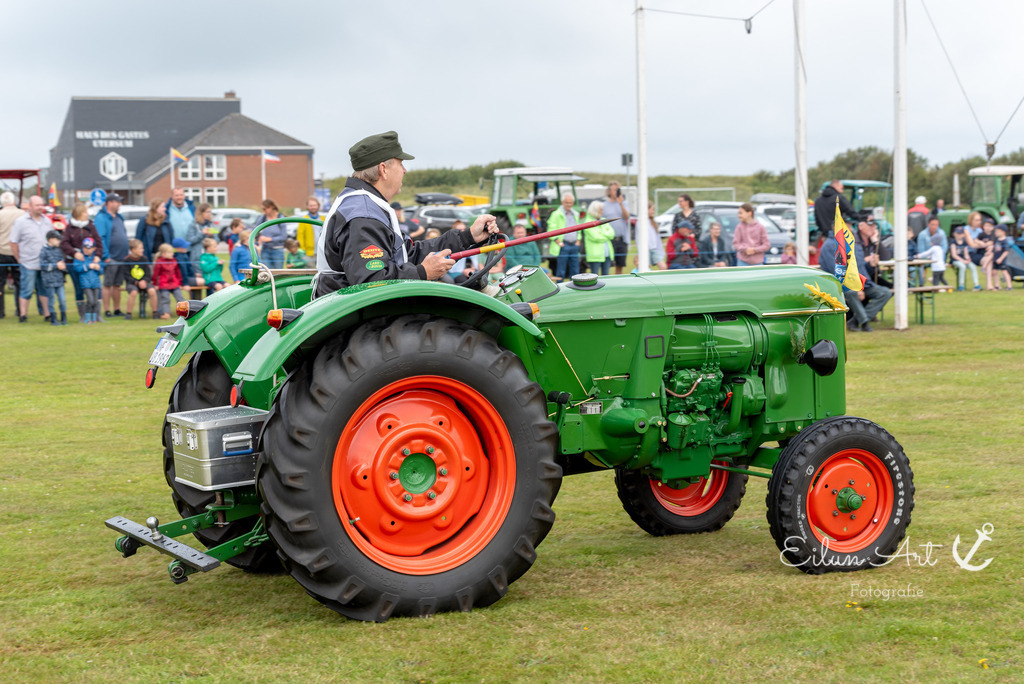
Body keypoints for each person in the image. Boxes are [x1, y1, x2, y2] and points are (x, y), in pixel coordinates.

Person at [313, 130, 498, 297]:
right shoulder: (364, 216)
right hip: (360, 316)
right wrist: (423, 272)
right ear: (383, 169)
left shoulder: (365, 206)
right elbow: (370, 281)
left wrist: (467, 237)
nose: (405, 170)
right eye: (401, 164)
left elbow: (408, 253)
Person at [819, 231, 892, 332]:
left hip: (863, 284)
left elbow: (861, 269)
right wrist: (856, 287)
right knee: (852, 293)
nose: (850, 229)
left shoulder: (854, 244)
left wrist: (870, 265)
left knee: (885, 292)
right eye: (847, 225)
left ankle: (856, 321)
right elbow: (837, 271)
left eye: (850, 226)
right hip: (840, 285)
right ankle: (865, 323)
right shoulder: (829, 246)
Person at [9, 195, 53, 322]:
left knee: (44, 289)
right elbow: (13, 242)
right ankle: (23, 315)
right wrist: (19, 259)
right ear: (30, 206)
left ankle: (47, 314)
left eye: (41, 205)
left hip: (44, 263)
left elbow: (52, 240)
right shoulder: (21, 221)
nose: (40, 207)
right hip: (28, 263)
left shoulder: (47, 221)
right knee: (26, 289)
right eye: (37, 205)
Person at [61, 203, 103, 321]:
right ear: (79, 214)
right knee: (79, 288)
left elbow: (99, 243)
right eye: (85, 212)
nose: (87, 214)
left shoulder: (91, 226)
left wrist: (98, 256)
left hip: (92, 263)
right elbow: (64, 244)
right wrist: (74, 254)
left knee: (95, 287)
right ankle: (83, 315)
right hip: (75, 264)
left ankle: (97, 315)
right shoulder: (69, 228)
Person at [95, 193, 129, 317]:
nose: (120, 204)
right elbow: (100, 238)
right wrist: (105, 255)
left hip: (122, 257)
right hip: (110, 257)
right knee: (108, 284)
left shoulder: (119, 217)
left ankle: (117, 309)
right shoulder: (102, 218)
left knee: (117, 284)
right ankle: (107, 310)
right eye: (117, 202)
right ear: (110, 203)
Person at [0, 191, 25, 319]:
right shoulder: (22, 215)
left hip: (2, 252)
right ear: (14, 201)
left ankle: (0, 312)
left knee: (0, 284)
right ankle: (20, 310)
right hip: (18, 253)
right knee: (19, 283)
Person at [547, 192, 581, 281]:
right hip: (563, 245)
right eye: (566, 202)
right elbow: (551, 229)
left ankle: (575, 288)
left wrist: (578, 240)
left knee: (575, 269)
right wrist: (559, 242)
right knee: (561, 270)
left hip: (574, 245)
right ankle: (561, 290)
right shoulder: (556, 214)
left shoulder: (576, 214)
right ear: (562, 202)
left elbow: (579, 227)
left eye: (570, 203)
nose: (568, 205)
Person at [38, 230, 68, 325]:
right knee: (51, 300)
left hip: (59, 280)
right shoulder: (43, 251)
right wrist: (56, 265)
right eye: (57, 239)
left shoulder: (58, 250)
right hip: (49, 281)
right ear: (50, 239)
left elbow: (61, 261)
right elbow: (43, 266)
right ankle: (53, 319)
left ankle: (64, 318)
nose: (59, 241)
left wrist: (63, 266)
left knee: (62, 300)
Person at [123, 238, 157, 318]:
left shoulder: (144, 259)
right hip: (132, 283)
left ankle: (155, 313)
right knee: (133, 292)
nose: (142, 250)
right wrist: (137, 283)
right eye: (140, 248)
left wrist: (144, 281)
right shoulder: (126, 260)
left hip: (145, 282)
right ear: (133, 250)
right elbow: (126, 276)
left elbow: (148, 274)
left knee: (152, 291)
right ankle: (129, 314)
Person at [71, 237, 103, 323]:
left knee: (96, 301)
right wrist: (88, 266)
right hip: (86, 283)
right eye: (84, 247)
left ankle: (94, 318)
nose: (86, 250)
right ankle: (87, 318)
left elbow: (101, 271)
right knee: (90, 301)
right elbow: (77, 268)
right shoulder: (80, 257)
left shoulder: (96, 258)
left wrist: (98, 267)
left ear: (94, 249)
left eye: (88, 248)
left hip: (96, 283)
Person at [603, 182, 630, 274]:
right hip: (610, 239)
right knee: (608, 265)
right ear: (609, 191)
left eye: (618, 190)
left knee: (620, 265)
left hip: (621, 239)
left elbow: (626, 216)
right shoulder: (604, 205)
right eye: (615, 189)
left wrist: (621, 204)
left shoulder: (624, 203)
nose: (617, 192)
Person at [583, 200, 615, 275]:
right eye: (601, 209)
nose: (603, 211)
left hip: (607, 254)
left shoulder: (604, 220)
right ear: (595, 210)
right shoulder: (587, 222)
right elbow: (596, 237)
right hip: (595, 256)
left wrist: (601, 234)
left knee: (606, 277)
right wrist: (606, 235)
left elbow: (612, 234)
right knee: (594, 277)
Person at [153, 243, 184, 319]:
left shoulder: (174, 261)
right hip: (164, 284)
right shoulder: (159, 262)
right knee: (166, 299)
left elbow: (178, 272)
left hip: (175, 283)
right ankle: (166, 313)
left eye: (172, 252)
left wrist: (180, 282)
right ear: (163, 254)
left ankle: (184, 312)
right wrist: (155, 284)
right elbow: (155, 274)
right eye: (170, 253)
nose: (172, 254)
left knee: (180, 298)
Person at [254, 199, 287, 269]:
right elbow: (255, 229)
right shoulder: (262, 218)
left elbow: (283, 237)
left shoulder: (280, 218)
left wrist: (270, 239)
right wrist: (259, 237)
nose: (263, 211)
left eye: (265, 209)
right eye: (262, 209)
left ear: (271, 207)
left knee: (278, 274)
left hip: (277, 250)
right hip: (265, 250)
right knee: (266, 272)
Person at [917, 216, 948, 286]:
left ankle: (937, 282)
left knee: (941, 260)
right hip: (926, 258)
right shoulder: (922, 234)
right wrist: (929, 257)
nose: (934, 227)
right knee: (920, 265)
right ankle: (921, 284)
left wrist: (936, 256)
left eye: (936, 225)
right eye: (932, 225)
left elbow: (944, 248)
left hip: (938, 258)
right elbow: (921, 250)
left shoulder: (942, 233)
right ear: (928, 224)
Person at [950, 226, 980, 291]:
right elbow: (954, 255)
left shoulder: (964, 243)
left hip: (963, 260)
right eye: (957, 233)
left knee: (973, 266)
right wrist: (963, 260)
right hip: (956, 260)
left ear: (963, 234)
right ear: (955, 234)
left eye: (960, 234)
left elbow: (966, 253)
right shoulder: (953, 242)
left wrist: (968, 259)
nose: (959, 235)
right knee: (962, 267)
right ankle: (961, 285)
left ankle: (976, 284)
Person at [990, 224, 1014, 290]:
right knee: (994, 272)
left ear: (1003, 232)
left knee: (1004, 272)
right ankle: (996, 285)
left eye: (998, 231)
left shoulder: (1005, 241)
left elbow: (1006, 251)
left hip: (1002, 260)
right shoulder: (996, 240)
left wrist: (1001, 259)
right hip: (995, 259)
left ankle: (1009, 286)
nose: (996, 233)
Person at [644, 202, 667, 269]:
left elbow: (658, 239)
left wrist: (661, 252)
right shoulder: (640, 222)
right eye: (652, 209)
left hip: (654, 250)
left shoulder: (653, 223)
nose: (653, 211)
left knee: (663, 267)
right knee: (646, 269)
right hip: (646, 251)